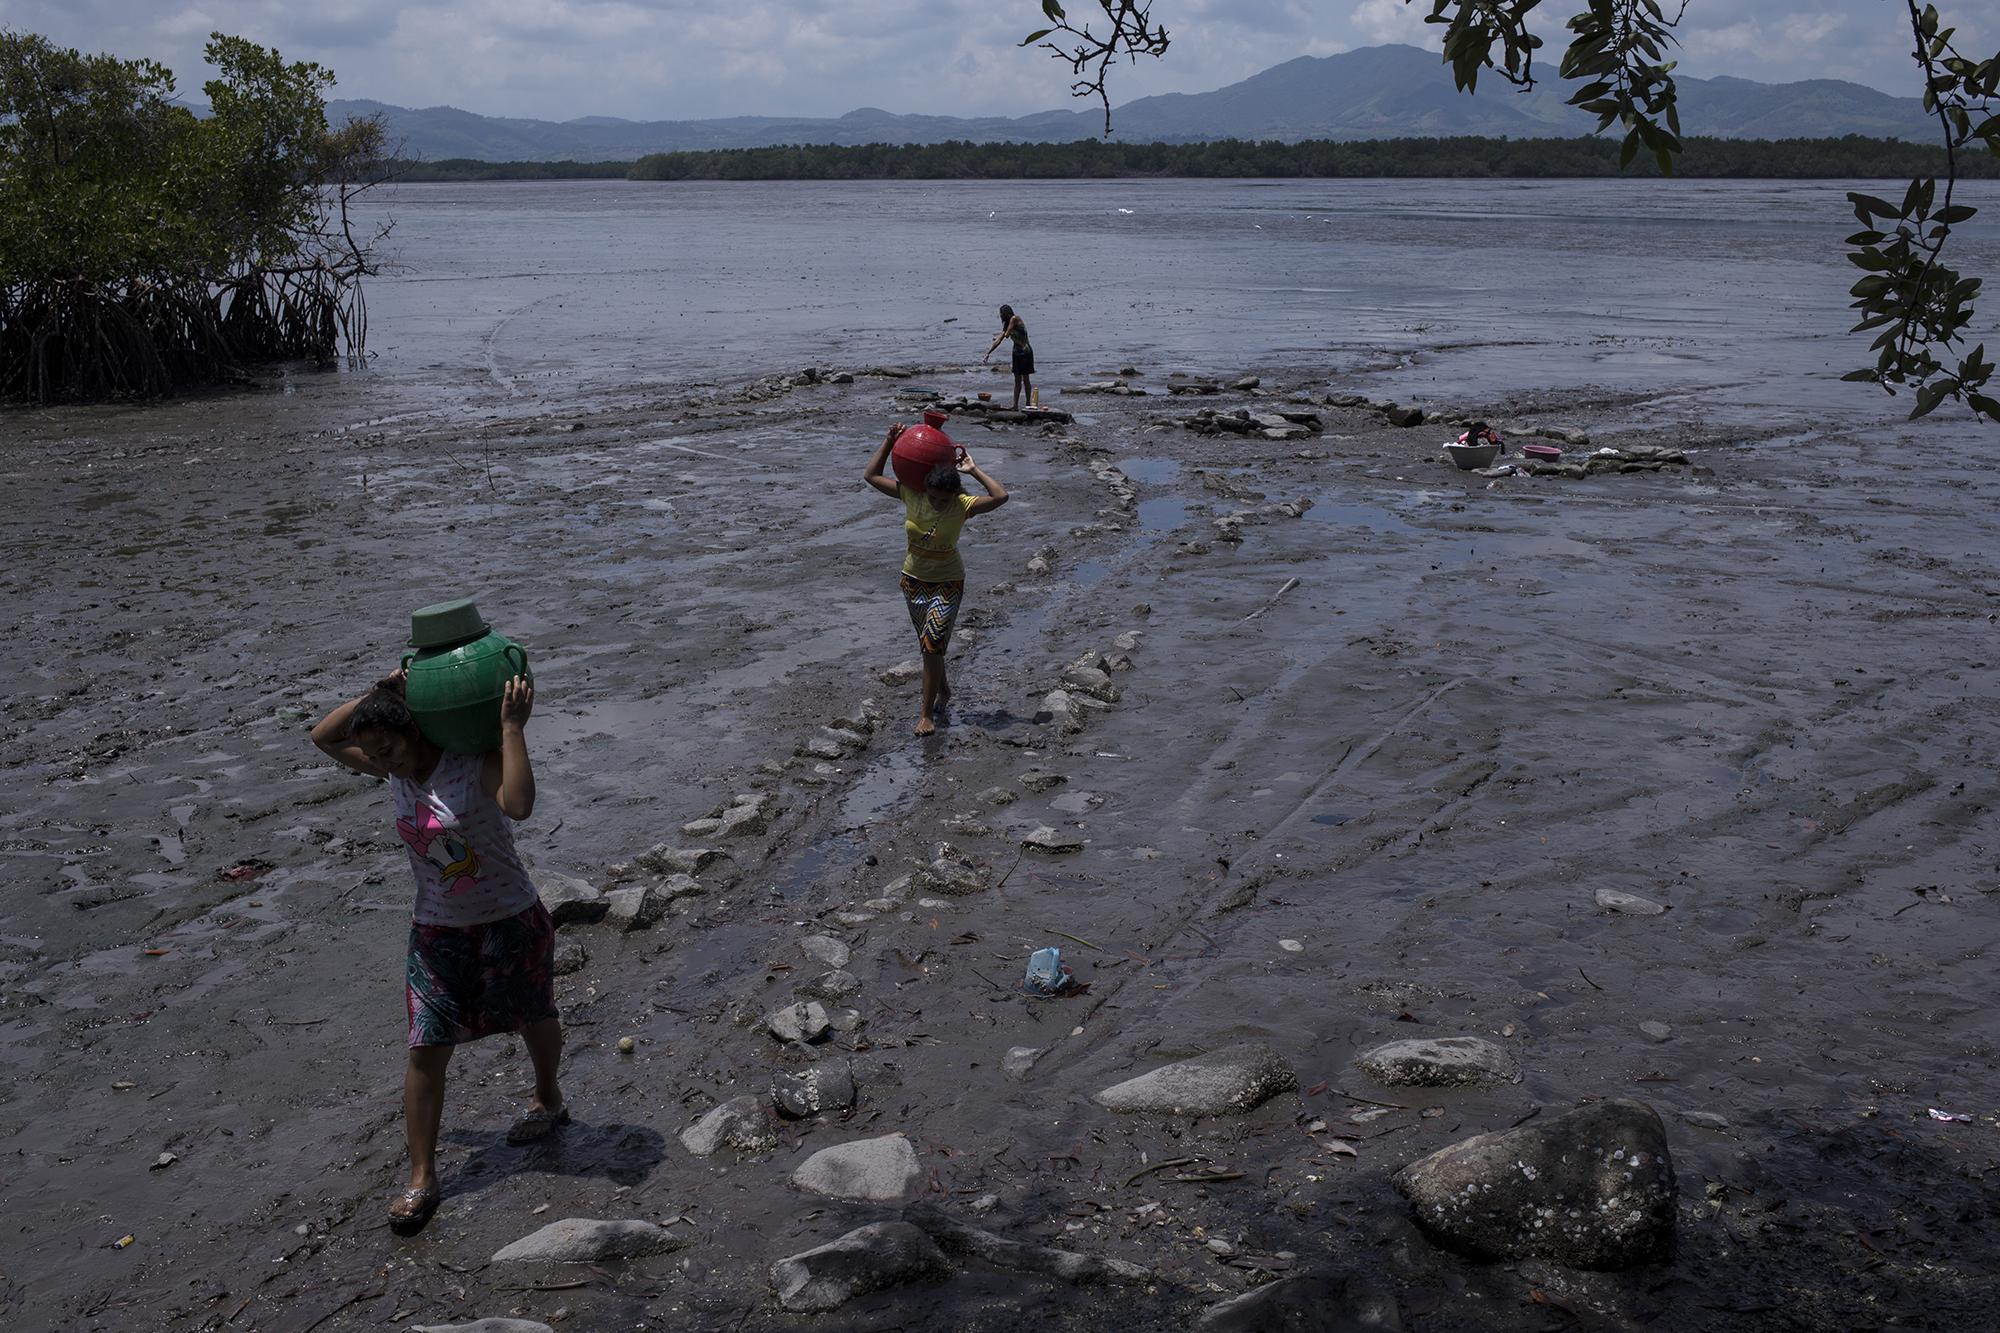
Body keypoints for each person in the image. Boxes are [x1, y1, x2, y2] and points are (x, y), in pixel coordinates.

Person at [309, 669, 563, 1235]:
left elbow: (519, 805)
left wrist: (511, 727)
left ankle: (548, 1097)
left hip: (511, 919)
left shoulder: (471, 763)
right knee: (426, 1047)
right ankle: (422, 1176)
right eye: (373, 752)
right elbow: (323, 738)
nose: (381, 760)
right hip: (436, 930)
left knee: (535, 1015)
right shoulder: (390, 768)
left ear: (416, 733)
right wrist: (378, 694)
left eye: (389, 747)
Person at [864, 424, 1008, 735]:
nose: (937, 504)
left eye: (943, 500)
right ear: (925, 489)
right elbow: (871, 476)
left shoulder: (963, 506)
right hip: (912, 580)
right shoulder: (912, 495)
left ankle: (926, 715)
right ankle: (944, 691)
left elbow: (1001, 496)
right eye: (933, 498)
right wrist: (889, 441)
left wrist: (973, 470)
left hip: (948, 582)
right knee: (930, 645)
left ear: (953, 495)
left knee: (931, 646)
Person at [983, 304, 1034, 410]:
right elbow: (999, 340)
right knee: (1017, 380)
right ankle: (1015, 405)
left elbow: (1006, 335)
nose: (1000, 316)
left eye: (1002, 314)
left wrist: (1005, 333)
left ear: (1007, 313)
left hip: (1025, 352)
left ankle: (1028, 403)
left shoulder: (1015, 319)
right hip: (1016, 352)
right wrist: (988, 352)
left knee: (1026, 379)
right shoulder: (1006, 324)